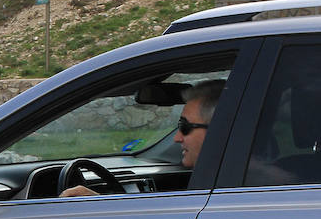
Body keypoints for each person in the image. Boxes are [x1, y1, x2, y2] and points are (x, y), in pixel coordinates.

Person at [61, 78, 224, 197]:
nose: (177, 138)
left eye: (185, 127)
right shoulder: (227, 177)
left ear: (218, 130)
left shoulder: (226, 185)